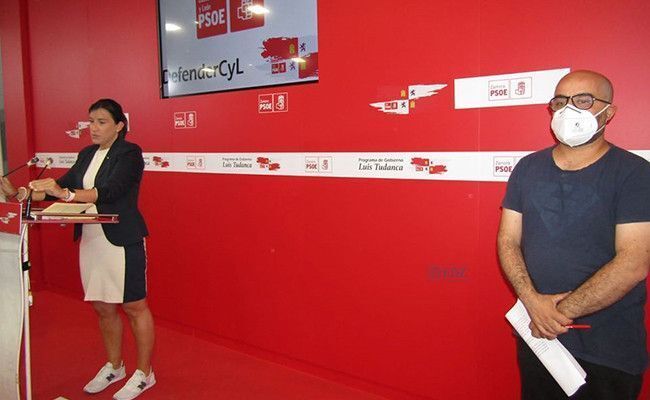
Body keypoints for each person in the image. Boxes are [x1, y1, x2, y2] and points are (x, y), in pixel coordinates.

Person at [497, 70, 650, 399]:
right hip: (539, 340)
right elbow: (508, 240)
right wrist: (532, 302)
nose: (569, 110)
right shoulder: (527, 168)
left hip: (606, 351)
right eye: (560, 101)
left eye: (583, 100)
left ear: (608, 112)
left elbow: (635, 262)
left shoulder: (635, 174)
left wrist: (558, 313)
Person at [1, 98, 156, 400]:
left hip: (121, 238)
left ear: (119, 126)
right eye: (91, 122)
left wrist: (65, 193)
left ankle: (144, 373)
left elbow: (110, 191)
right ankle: (115, 366)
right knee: (102, 306)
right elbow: (58, 188)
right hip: (92, 239)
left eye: (101, 122)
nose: (93, 128)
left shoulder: (129, 153)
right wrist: (18, 193)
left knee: (134, 307)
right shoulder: (86, 154)